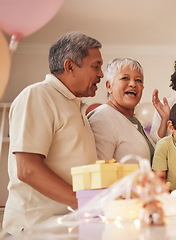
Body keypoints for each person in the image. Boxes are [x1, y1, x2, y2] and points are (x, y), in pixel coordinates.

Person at [2, 32, 103, 235]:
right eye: (96, 66)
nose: (101, 74)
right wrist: (85, 203)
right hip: (36, 230)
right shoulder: (38, 95)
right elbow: (27, 169)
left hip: (67, 226)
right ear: (69, 66)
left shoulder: (75, 106)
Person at [88, 58, 155, 163]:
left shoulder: (134, 121)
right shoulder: (102, 118)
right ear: (109, 86)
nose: (133, 84)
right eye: (125, 78)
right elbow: (100, 170)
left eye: (138, 80)